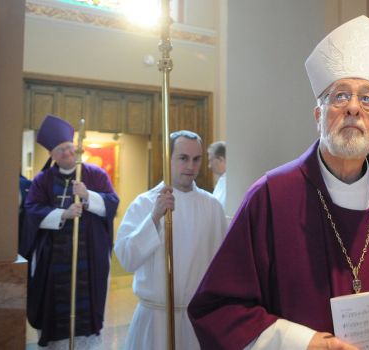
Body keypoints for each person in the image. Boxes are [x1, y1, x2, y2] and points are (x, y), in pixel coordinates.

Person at [188, 15, 369, 350]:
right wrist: (302, 344)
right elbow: (219, 309)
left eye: (368, 98)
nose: (354, 109)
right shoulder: (271, 197)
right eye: (340, 96)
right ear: (319, 117)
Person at [114, 130, 227, 350]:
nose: (191, 166)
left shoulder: (212, 206)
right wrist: (154, 217)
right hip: (154, 319)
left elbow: (222, 265)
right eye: (183, 158)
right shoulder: (144, 203)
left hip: (195, 320)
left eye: (197, 159)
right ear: (168, 158)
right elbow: (127, 258)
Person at [19, 115, 119, 348]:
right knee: (55, 309)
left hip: (89, 254)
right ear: (52, 155)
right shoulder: (43, 180)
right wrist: (62, 215)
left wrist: (87, 195)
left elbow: (112, 202)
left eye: (68, 148)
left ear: (75, 147)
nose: (66, 153)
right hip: (54, 258)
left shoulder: (94, 174)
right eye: (60, 150)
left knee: (86, 310)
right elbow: (32, 210)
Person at [207, 140, 227, 209]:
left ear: (221, 160)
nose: (209, 166)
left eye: (211, 160)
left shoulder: (230, 184)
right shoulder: (222, 180)